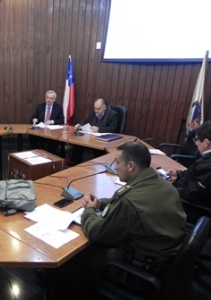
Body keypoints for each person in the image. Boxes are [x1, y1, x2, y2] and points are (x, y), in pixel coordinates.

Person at [80, 141, 186, 276]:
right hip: (169, 255)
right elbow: (131, 205)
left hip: (145, 266)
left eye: (117, 162)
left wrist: (89, 210)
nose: (115, 167)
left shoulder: (128, 201)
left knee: (85, 254)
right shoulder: (163, 183)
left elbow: (97, 232)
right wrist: (101, 203)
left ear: (130, 166)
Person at [168, 120, 211, 222]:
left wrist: (166, 188)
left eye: (196, 139)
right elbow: (196, 174)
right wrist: (178, 174)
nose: (195, 143)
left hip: (192, 209)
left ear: (206, 143)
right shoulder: (206, 159)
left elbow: (192, 195)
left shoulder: (208, 166)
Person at [68, 98, 119, 165]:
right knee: (78, 143)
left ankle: (98, 165)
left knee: (98, 148)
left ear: (104, 107)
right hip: (91, 137)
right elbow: (84, 121)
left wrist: (99, 129)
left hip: (103, 140)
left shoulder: (113, 115)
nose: (96, 111)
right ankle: (75, 163)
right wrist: (80, 126)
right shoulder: (92, 112)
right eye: (95, 108)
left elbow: (113, 128)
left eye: (98, 109)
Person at [29, 90, 65, 154]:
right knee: (31, 136)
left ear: (54, 99)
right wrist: (34, 119)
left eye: (51, 98)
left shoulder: (58, 107)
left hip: (52, 132)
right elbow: (34, 117)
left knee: (52, 143)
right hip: (40, 130)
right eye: (47, 97)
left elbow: (62, 120)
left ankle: (50, 156)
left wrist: (52, 121)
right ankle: (36, 153)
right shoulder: (40, 106)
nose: (48, 100)